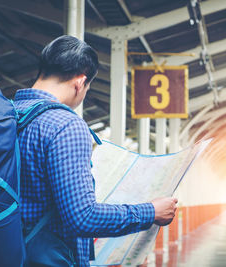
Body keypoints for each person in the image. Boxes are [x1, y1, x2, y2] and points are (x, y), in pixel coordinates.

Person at [14, 35, 178, 267]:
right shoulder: (66, 125)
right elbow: (82, 217)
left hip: (4, 253)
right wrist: (150, 212)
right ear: (80, 83)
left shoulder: (7, 116)